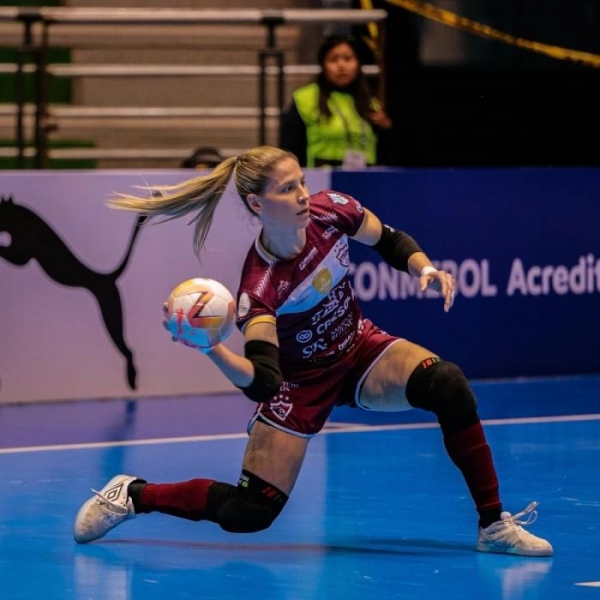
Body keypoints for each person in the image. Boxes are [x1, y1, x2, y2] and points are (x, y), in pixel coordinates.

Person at [73, 145, 552, 557]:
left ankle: (493, 526)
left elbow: (388, 239)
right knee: (249, 512)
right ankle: (133, 494)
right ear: (256, 204)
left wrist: (421, 267)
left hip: (358, 347)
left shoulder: (330, 210)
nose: (303, 195)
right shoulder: (260, 287)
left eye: (301, 182)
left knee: (447, 382)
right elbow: (262, 380)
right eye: (287, 190)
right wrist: (212, 348)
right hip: (298, 385)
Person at [279, 34, 396, 168]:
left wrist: (387, 129)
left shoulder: (371, 103)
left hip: (363, 181)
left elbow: (386, 153)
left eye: (348, 59)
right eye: (333, 59)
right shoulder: (305, 98)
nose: (341, 65)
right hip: (319, 181)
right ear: (323, 64)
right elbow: (289, 150)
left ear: (358, 64)